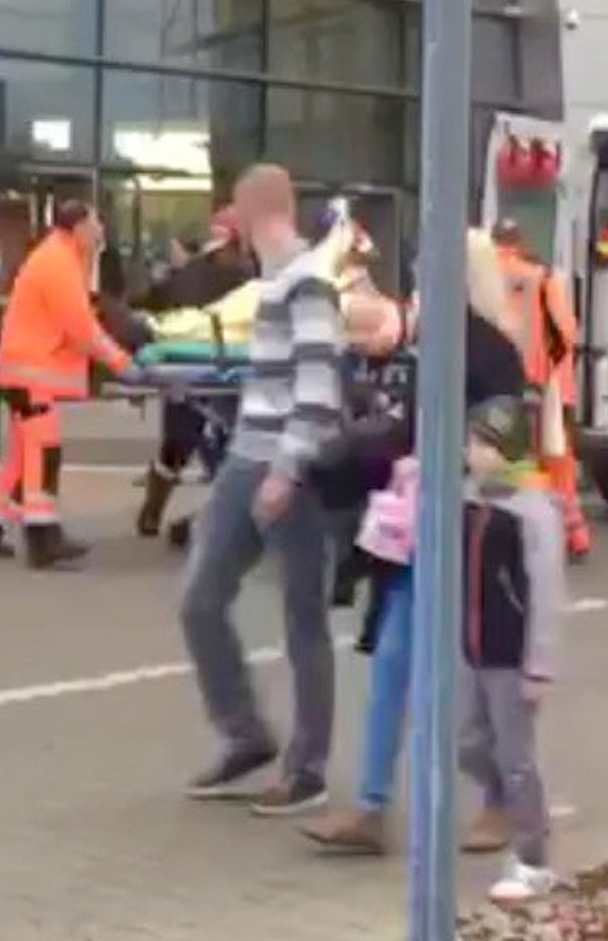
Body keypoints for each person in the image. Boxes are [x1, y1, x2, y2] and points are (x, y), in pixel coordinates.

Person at [303, 229, 530, 858]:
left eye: (427, 269)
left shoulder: (488, 354)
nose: (418, 281)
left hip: (471, 527)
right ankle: (372, 806)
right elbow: (403, 429)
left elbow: (507, 445)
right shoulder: (428, 345)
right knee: (396, 658)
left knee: (477, 676)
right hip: (417, 525)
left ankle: (500, 798)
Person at [177, 164, 345, 816]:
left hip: (282, 467)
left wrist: (287, 467)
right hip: (248, 456)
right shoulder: (273, 285)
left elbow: (318, 389)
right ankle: (246, 734)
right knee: (200, 599)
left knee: (304, 619)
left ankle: (308, 770)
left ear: (251, 216)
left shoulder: (308, 285)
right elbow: (279, 383)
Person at [0, 200, 138, 570]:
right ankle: (43, 535)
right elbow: (81, 326)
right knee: (44, 452)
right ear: (77, 227)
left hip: (25, 371)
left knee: (24, 459)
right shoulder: (58, 263)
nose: (100, 232)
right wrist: (122, 362)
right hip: (31, 372)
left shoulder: (60, 257)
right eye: (95, 225)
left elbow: (81, 316)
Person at [460, 381, 569, 905]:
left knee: (515, 756)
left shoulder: (532, 509)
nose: (470, 453)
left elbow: (546, 590)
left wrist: (539, 665)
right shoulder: (470, 498)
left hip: (509, 653)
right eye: (470, 443)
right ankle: (513, 800)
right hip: (470, 649)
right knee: (467, 744)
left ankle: (533, 857)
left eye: (480, 444)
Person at [133, 207, 257, 540]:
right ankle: (178, 515)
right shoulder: (240, 278)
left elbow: (150, 306)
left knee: (191, 447)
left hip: (203, 371)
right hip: (211, 371)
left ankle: (166, 514)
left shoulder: (194, 274)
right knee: (200, 446)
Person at [495, 220, 590, 562]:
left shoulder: (484, 275)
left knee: (514, 461)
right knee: (557, 463)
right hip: (549, 386)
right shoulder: (543, 277)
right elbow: (566, 332)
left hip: (505, 381)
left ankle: (525, 530)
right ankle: (572, 533)